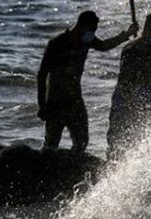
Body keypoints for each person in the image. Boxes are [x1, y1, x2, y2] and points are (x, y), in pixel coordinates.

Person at [38, 10, 139, 153]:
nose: (92, 33)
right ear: (80, 25)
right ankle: (43, 168)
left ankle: (71, 169)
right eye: (90, 30)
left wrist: (127, 34)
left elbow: (104, 45)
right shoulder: (57, 43)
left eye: (94, 30)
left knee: (82, 142)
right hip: (55, 101)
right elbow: (42, 75)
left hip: (75, 100)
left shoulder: (87, 41)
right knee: (51, 144)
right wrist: (42, 105)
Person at [106, 13, 151, 162]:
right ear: (148, 31)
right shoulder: (131, 48)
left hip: (147, 96)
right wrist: (132, 102)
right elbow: (126, 80)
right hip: (127, 97)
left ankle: (134, 165)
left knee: (140, 137)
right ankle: (112, 165)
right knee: (118, 136)